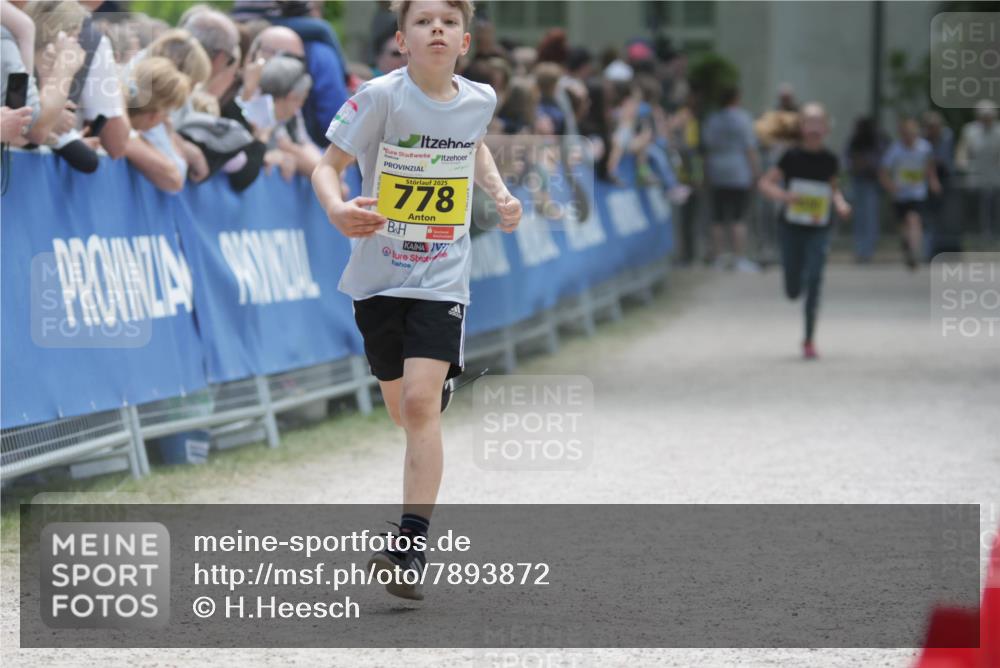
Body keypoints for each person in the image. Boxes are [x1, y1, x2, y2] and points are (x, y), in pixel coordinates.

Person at [312, 0, 520, 601]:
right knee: (404, 413)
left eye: (449, 23)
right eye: (425, 21)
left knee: (421, 408)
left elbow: (474, 144)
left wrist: (500, 194)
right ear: (402, 40)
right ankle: (434, 391)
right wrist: (337, 208)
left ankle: (408, 549)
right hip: (379, 276)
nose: (437, 29)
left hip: (441, 276)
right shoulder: (380, 96)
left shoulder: (479, 98)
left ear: (465, 41)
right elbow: (328, 167)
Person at [759, 103, 851, 360]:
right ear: (801, 127)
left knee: (815, 279)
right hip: (791, 228)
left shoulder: (830, 159)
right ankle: (793, 285)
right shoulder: (790, 157)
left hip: (819, 228)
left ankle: (809, 339)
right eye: (808, 122)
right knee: (792, 290)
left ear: (825, 128)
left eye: (817, 122)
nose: (813, 128)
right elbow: (765, 183)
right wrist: (785, 196)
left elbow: (834, 190)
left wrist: (841, 205)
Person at [703, 86, 760, 271]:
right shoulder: (743, 118)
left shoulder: (713, 119)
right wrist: (756, 172)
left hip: (717, 170)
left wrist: (706, 173)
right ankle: (739, 258)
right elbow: (749, 147)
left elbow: (708, 147)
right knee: (738, 216)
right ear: (736, 98)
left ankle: (719, 257)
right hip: (739, 171)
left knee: (717, 217)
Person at [879, 117, 941, 270]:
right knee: (903, 225)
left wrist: (933, 181)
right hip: (900, 194)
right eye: (906, 134)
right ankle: (906, 245)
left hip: (917, 192)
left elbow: (929, 165)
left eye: (912, 133)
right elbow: (883, 171)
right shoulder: (895, 150)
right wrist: (890, 186)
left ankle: (914, 251)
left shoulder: (924, 147)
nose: (909, 137)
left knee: (914, 219)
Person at [955, 100, 1000, 241]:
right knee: (976, 205)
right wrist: (963, 164)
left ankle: (994, 234)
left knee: (994, 204)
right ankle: (977, 234)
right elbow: (962, 151)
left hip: (995, 175)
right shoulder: (970, 130)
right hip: (975, 175)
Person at [844, 116, 885, 263]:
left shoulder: (875, 141)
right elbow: (846, 159)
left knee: (870, 217)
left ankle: (868, 250)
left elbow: (880, 161)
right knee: (859, 218)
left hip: (871, 183)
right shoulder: (853, 141)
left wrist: (866, 163)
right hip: (857, 181)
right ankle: (860, 249)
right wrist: (855, 164)